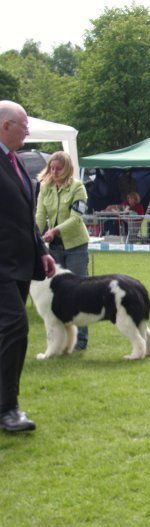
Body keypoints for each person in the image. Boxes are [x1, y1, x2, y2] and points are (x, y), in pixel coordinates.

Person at [0, 100, 57, 432]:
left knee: (8, 332)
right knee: (15, 328)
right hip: (2, 267)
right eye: (23, 126)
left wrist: (42, 250)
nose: (28, 131)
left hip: (21, 263)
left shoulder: (17, 162)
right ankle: (8, 409)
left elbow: (25, 217)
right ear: (6, 126)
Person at [35, 151, 92, 350]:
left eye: (59, 168)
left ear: (67, 168)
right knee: (57, 293)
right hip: (54, 248)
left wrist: (55, 230)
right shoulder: (45, 187)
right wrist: (35, 235)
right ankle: (60, 340)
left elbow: (77, 218)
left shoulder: (78, 187)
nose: (54, 171)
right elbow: (41, 215)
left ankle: (81, 340)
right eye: (52, 167)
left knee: (79, 291)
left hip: (76, 245)